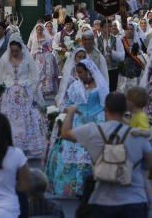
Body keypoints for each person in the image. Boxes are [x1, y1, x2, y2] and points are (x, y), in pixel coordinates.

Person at [58, 91, 152, 216]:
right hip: (134, 199)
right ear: (125, 109)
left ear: (105, 108)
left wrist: (71, 111)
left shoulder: (92, 131)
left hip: (102, 201)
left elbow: (65, 133)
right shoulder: (137, 134)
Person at [45, 58, 107, 198]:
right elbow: (68, 103)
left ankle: (92, 185)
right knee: (72, 149)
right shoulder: (75, 87)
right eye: (77, 72)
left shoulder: (100, 87)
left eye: (81, 72)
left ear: (89, 71)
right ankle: (74, 187)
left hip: (96, 121)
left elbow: (105, 104)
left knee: (91, 152)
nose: (79, 75)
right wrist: (64, 112)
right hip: (78, 121)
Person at [0, 36, 48, 161]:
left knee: (26, 119)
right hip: (9, 95)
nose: (14, 53)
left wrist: (28, 88)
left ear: (21, 49)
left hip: (24, 94)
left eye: (16, 51)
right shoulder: (4, 60)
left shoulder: (27, 60)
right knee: (9, 118)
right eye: (12, 51)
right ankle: (8, 146)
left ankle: (26, 148)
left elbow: (35, 76)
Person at [27, 21, 59, 98]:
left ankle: (46, 90)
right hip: (36, 57)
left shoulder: (47, 38)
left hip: (45, 56)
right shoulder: (32, 38)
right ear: (36, 30)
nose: (39, 31)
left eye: (41, 29)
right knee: (37, 73)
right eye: (38, 29)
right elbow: (29, 47)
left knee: (47, 72)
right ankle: (37, 90)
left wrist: (46, 50)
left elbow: (50, 48)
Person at [116, 21, 145, 95]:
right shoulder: (121, 41)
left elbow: (145, 53)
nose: (129, 31)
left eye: (131, 29)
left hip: (136, 69)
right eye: (127, 29)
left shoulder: (139, 41)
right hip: (124, 69)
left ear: (134, 30)